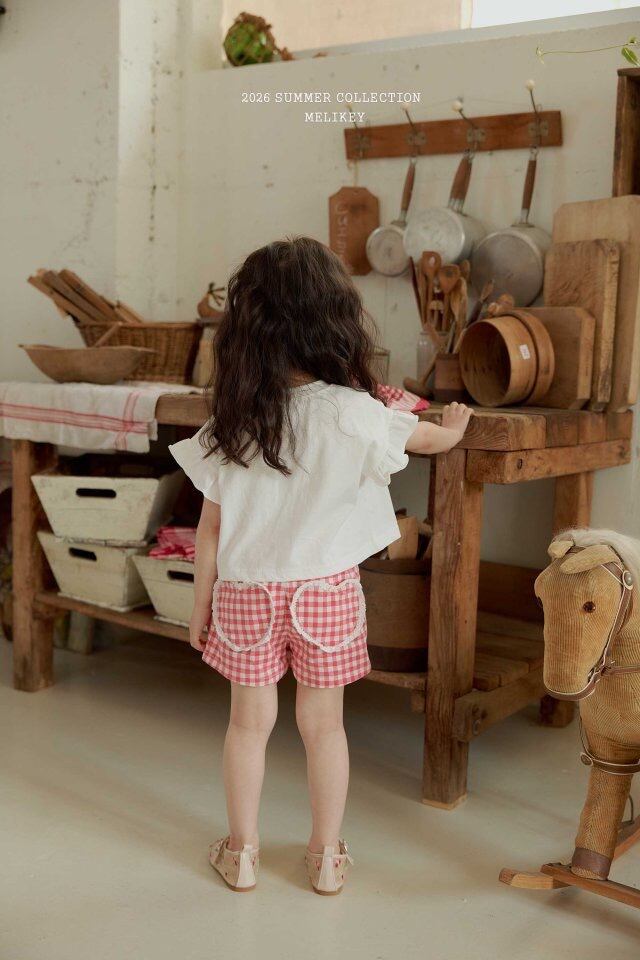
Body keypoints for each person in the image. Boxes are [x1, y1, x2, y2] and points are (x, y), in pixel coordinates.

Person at [170, 237, 472, 895]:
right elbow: (428, 438)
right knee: (325, 727)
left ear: (245, 332)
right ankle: (327, 857)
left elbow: (210, 527)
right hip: (326, 593)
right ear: (332, 320)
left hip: (245, 593)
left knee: (247, 727)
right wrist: (454, 427)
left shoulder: (235, 420)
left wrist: (199, 605)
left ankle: (242, 853)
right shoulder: (354, 412)